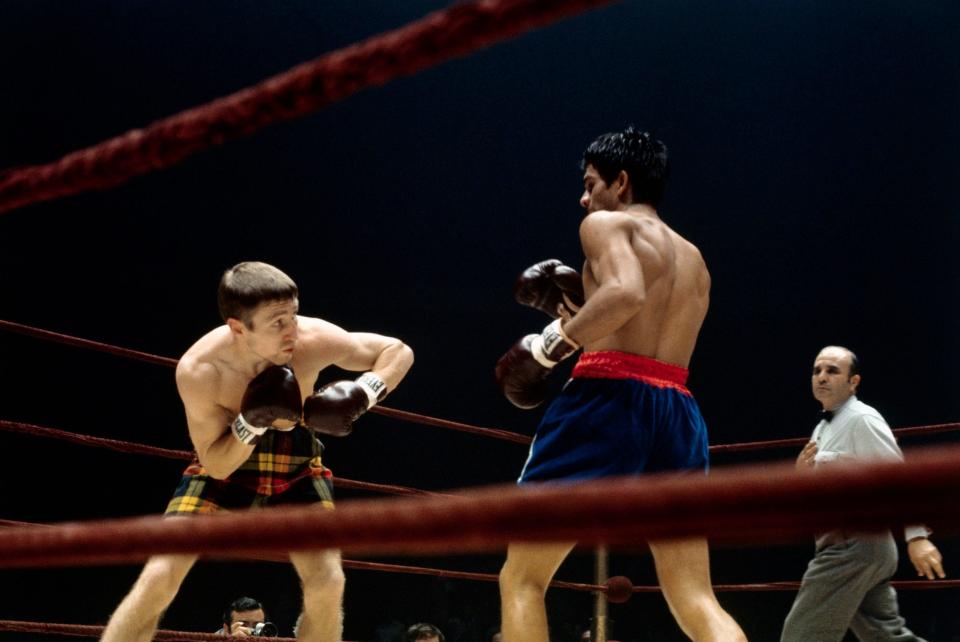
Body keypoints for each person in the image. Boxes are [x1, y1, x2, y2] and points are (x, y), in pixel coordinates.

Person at [495, 126, 745, 642]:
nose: (585, 198)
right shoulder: (695, 259)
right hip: (677, 408)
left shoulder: (607, 226)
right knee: (694, 594)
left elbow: (627, 294)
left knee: (521, 577)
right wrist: (583, 314)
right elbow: (635, 316)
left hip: (606, 397)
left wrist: (549, 346)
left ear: (622, 182)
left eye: (591, 184)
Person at [100, 261, 414, 642]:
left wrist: (365, 392)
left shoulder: (312, 340)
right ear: (238, 328)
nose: (292, 330)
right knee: (159, 575)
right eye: (277, 322)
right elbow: (215, 464)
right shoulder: (201, 370)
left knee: (329, 582)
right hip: (227, 457)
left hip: (297, 461)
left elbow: (397, 351)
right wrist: (250, 422)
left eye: (294, 315)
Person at [781, 345, 945, 642]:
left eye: (832, 370)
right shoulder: (822, 428)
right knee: (886, 636)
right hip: (852, 546)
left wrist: (917, 537)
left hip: (852, 546)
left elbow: (899, 477)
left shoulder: (862, 419)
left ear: (853, 382)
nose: (821, 377)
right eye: (817, 370)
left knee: (801, 636)